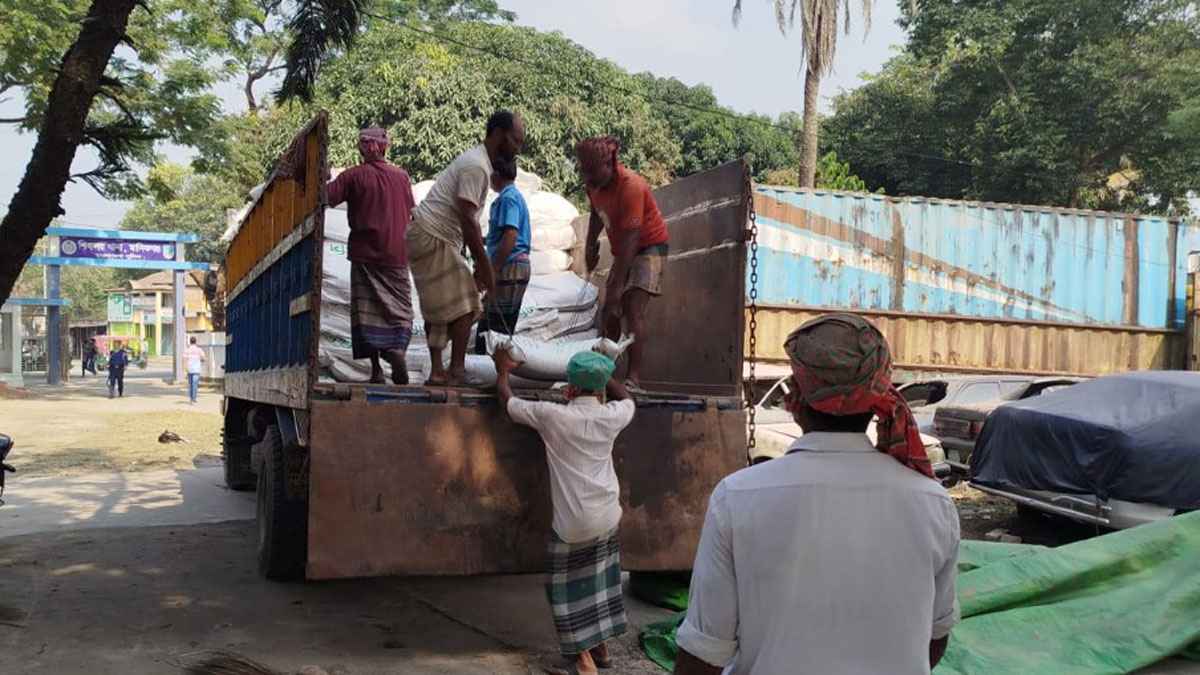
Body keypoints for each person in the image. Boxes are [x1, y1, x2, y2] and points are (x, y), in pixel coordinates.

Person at [673, 313, 959, 675]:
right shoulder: (934, 503)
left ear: (795, 396)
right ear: (876, 400)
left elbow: (702, 655)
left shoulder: (738, 497)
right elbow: (935, 640)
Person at [493, 347, 635, 675]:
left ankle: (584, 663)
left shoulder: (552, 416)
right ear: (600, 389)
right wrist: (607, 370)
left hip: (573, 523)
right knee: (598, 582)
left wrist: (502, 370)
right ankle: (600, 650)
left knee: (564, 588)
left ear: (569, 388)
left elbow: (507, 401)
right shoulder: (613, 415)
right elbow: (628, 398)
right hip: (607, 515)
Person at [408, 110, 525, 386]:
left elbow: (468, 224)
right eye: (515, 141)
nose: (517, 149)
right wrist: (486, 269)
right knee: (469, 304)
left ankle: (438, 372)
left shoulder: (478, 162)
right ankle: (456, 371)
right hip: (432, 234)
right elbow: (468, 221)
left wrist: (480, 264)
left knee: (440, 308)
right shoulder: (477, 167)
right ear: (498, 134)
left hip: (428, 235)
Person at [576, 136, 669, 392]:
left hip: (649, 247)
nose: (588, 178)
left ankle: (634, 378)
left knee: (630, 306)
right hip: (624, 250)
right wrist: (591, 243)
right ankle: (605, 372)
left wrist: (617, 287)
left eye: (592, 172)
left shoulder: (631, 187)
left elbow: (631, 241)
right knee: (609, 310)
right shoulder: (593, 185)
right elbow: (596, 214)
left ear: (609, 164)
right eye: (584, 171)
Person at [327, 127, 418, 384]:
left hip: (365, 253)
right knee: (401, 309)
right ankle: (397, 350)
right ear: (385, 147)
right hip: (398, 253)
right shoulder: (401, 176)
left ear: (361, 149)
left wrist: (321, 177)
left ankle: (377, 370)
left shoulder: (353, 176)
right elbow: (412, 212)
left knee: (366, 311)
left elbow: (326, 197)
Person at [474, 156, 532, 354]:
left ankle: (495, 369)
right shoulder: (509, 197)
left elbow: (511, 234)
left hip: (510, 266)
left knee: (496, 325)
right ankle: (492, 367)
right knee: (493, 319)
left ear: (496, 175)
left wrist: (492, 270)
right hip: (509, 265)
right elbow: (499, 236)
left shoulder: (508, 198)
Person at [184, 336, 206, 404]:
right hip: (196, 369)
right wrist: (201, 360)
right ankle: (194, 399)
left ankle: (191, 398)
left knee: (190, 384)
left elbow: (184, 360)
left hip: (189, 369)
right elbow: (203, 358)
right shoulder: (199, 350)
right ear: (195, 342)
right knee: (195, 384)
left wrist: (185, 368)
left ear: (190, 342)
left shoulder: (187, 350)